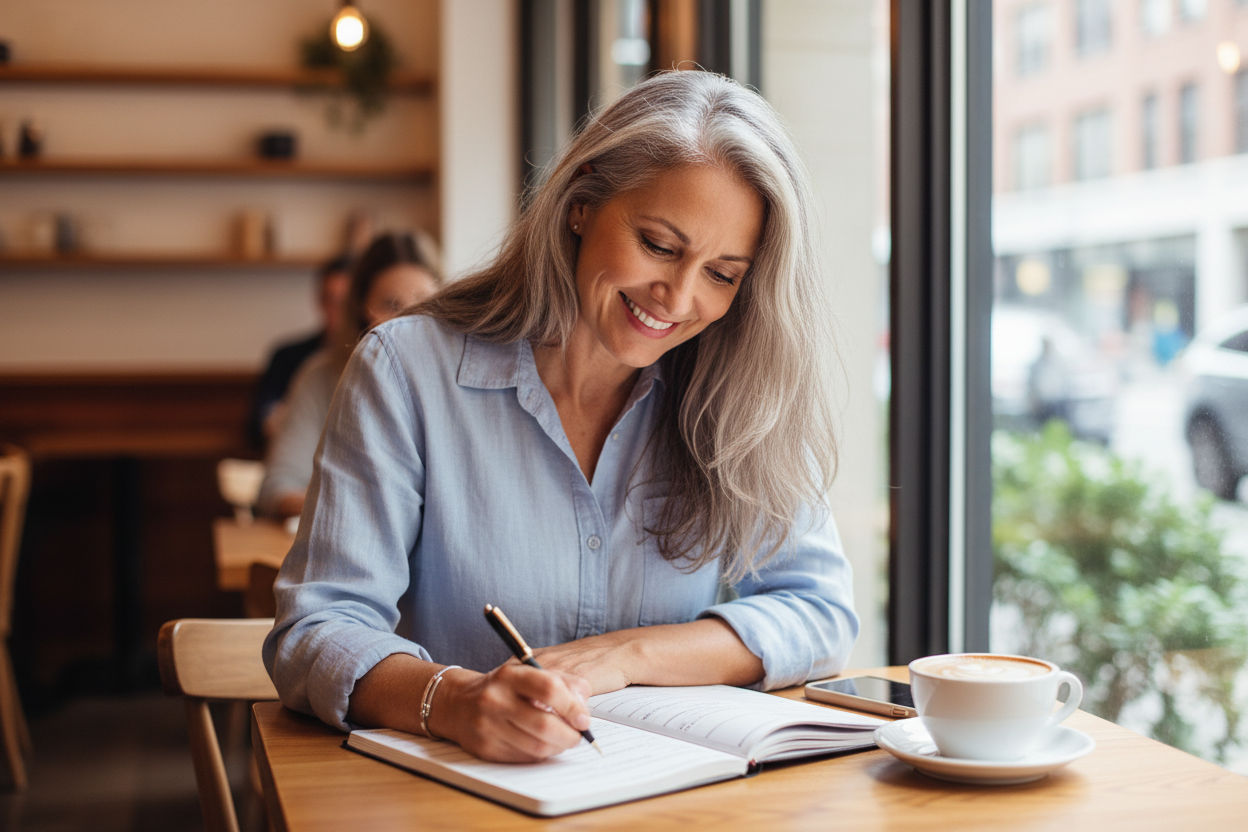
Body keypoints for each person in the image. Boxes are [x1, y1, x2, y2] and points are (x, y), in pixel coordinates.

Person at [264, 71, 857, 764]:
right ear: (582, 203)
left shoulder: (738, 393)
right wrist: (452, 703)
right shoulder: (407, 369)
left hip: (666, 803)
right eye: (660, 245)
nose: (678, 296)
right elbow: (316, 628)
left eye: (723, 274)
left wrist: (627, 655)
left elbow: (819, 612)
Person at [256, 232, 442, 519]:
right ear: (360, 310)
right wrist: (362, 516)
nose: (408, 320)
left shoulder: (457, 382)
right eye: (391, 304)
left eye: (424, 303)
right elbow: (278, 488)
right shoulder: (321, 376)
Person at [246, 255, 353, 451]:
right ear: (318, 300)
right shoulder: (287, 356)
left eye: (344, 302)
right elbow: (256, 422)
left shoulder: (372, 362)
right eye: (331, 300)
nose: (337, 311)